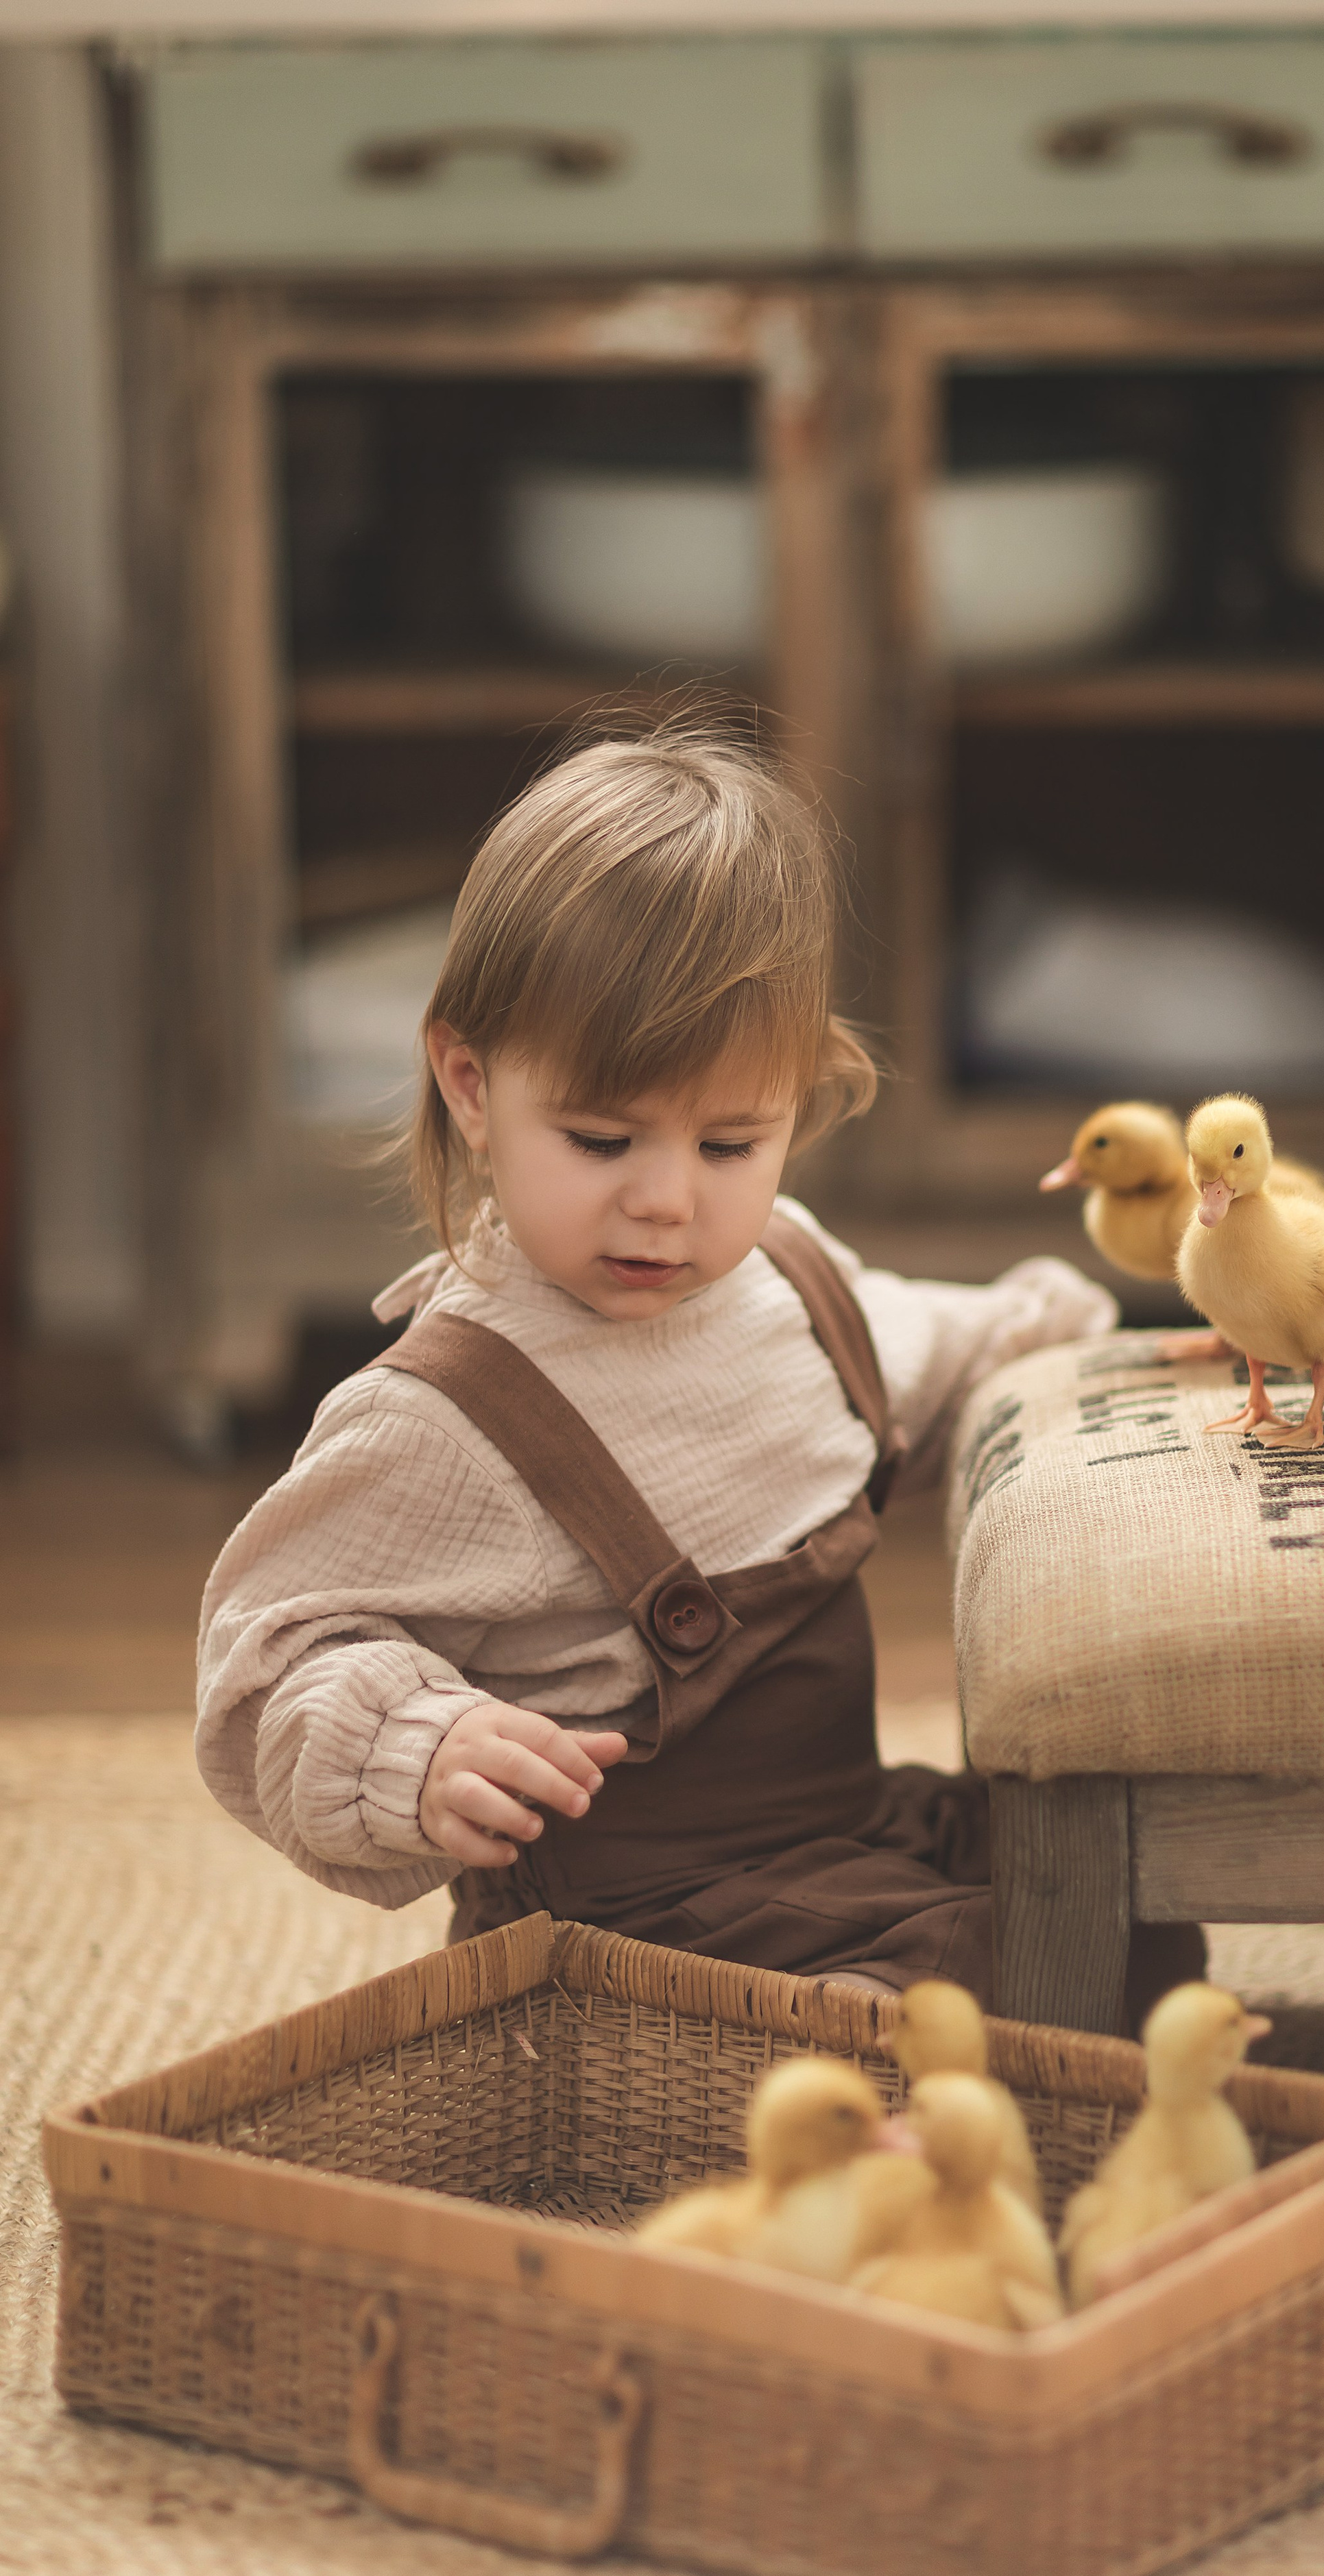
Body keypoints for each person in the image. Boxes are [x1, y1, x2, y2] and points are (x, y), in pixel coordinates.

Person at [197, 729, 1199, 2009]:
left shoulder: (791, 1283)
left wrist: (1112, 1364)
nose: (666, 1202)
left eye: (731, 1142)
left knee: (1107, 1896)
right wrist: (419, 1739)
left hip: (838, 1844)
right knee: (946, 1998)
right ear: (470, 1083)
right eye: (603, 1138)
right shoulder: (451, 1414)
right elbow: (264, 1659)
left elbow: (955, 1359)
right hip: (629, 1928)